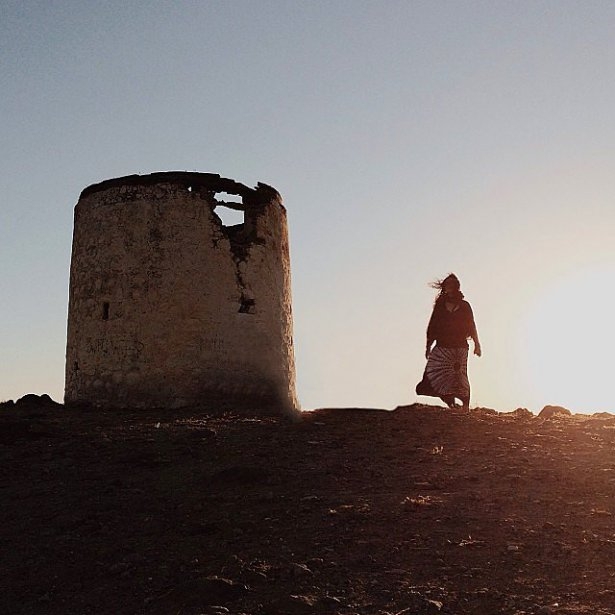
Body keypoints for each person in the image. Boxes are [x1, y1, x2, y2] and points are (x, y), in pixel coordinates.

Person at [415, 273, 481, 411]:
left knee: (459, 375)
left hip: (460, 346)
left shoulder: (464, 306)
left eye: (453, 284)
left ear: (457, 286)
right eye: (447, 284)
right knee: (436, 374)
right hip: (443, 345)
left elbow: (471, 325)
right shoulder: (440, 306)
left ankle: (465, 406)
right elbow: (433, 325)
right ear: (444, 287)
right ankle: (451, 403)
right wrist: (428, 346)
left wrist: (477, 344)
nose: (450, 286)